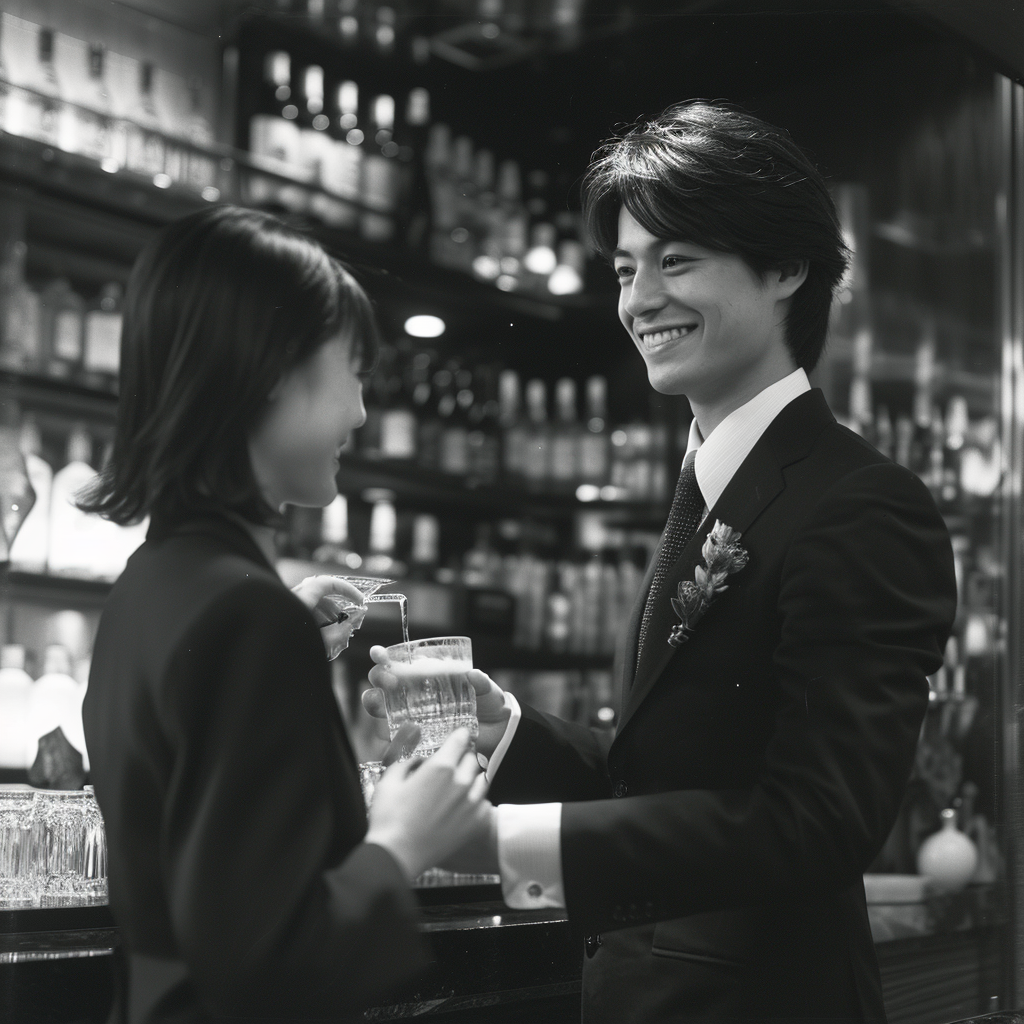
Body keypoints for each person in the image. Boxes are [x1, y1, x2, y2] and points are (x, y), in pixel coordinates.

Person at [366, 100, 958, 1022]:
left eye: (677, 261)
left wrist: (499, 838)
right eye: (627, 269)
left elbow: (819, 824)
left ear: (786, 268)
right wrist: (510, 730)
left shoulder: (861, 504)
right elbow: (663, 774)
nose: (640, 300)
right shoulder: (712, 483)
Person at [80, 205, 490, 1024]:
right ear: (273, 368)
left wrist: (279, 646)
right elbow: (264, 963)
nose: (362, 413)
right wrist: (402, 839)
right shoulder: (242, 613)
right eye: (352, 370)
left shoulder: (152, 582)